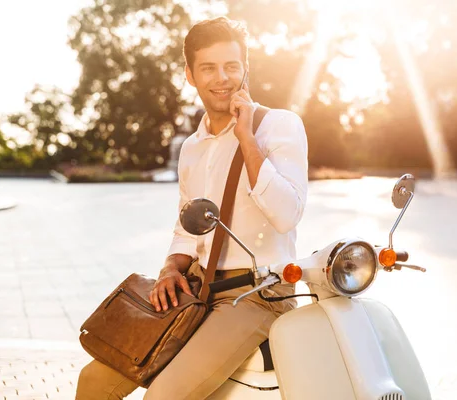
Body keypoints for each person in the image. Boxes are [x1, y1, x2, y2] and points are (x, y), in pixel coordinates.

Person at [76, 16, 309, 400]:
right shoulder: (192, 148)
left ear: (245, 69)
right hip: (198, 290)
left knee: (163, 397)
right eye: (209, 68)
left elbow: (287, 215)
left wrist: (246, 137)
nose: (222, 78)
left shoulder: (280, 126)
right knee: (93, 384)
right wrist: (170, 268)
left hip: (258, 295)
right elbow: (188, 227)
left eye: (231, 66)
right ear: (190, 75)